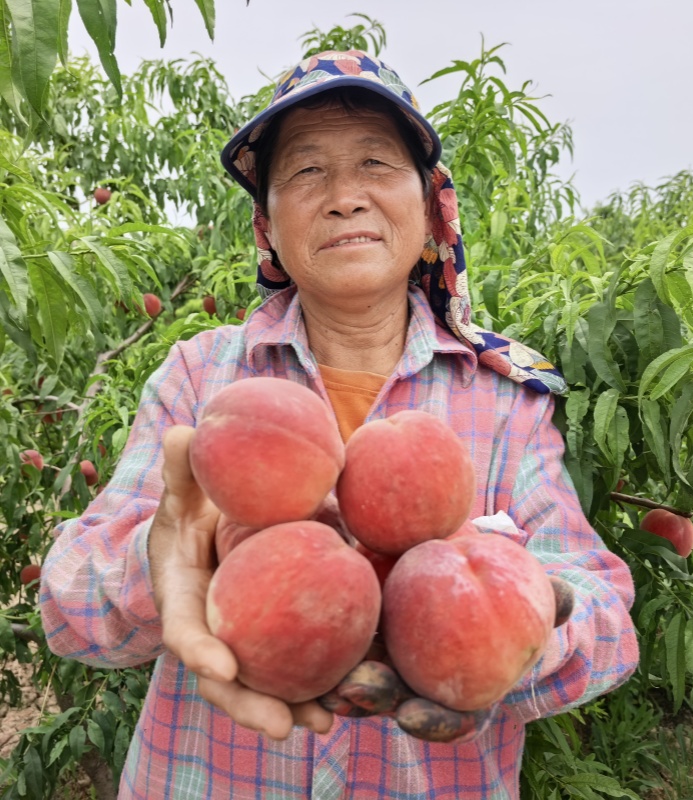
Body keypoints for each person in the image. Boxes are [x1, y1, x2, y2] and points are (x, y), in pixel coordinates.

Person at [40, 50, 639, 799]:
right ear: (268, 226)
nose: (345, 196)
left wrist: (504, 630)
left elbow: (608, 619)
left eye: (376, 164)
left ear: (430, 211)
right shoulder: (204, 380)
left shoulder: (505, 398)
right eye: (307, 173)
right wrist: (173, 562)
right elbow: (66, 605)